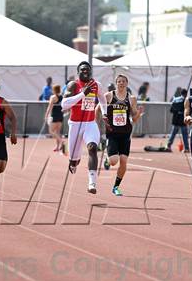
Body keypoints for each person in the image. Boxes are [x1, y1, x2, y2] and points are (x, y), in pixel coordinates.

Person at [61, 61, 108, 194]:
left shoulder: (96, 85)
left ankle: (92, 183)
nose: (85, 71)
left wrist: (104, 114)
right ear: (78, 72)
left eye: (87, 69)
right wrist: (82, 94)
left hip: (90, 123)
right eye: (82, 70)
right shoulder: (73, 85)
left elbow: (103, 101)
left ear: (91, 71)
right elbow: (64, 105)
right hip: (75, 125)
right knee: (73, 161)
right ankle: (74, 161)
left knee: (93, 148)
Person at [97, 74, 143, 196]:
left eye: (123, 81)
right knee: (113, 161)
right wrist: (100, 119)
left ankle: (116, 187)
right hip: (112, 133)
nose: (121, 83)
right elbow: (98, 108)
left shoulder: (131, 98)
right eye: (119, 81)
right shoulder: (109, 96)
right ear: (116, 83)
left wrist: (138, 113)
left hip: (125, 133)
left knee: (123, 161)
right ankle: (107, 159)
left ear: (127, 83)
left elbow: (134, 118)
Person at [166, 88, 189, 152]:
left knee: (173, 134)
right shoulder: (186, 100)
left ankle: (168, 146)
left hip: (176, 120)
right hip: (183, 120)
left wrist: (177, 111)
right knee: (185, 135)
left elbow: (171, 110)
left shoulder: (175, 100)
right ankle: (186, 148)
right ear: (186, 94)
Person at [44, 84, 65, 154]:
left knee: (51, 131)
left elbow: (49, 107)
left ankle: (62, 141)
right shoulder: (62, 97)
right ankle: (57, 146)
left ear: (54, 90)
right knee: (57, 132)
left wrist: (46, 115)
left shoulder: (53, 97)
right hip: (60, 116)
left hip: (55, 116)